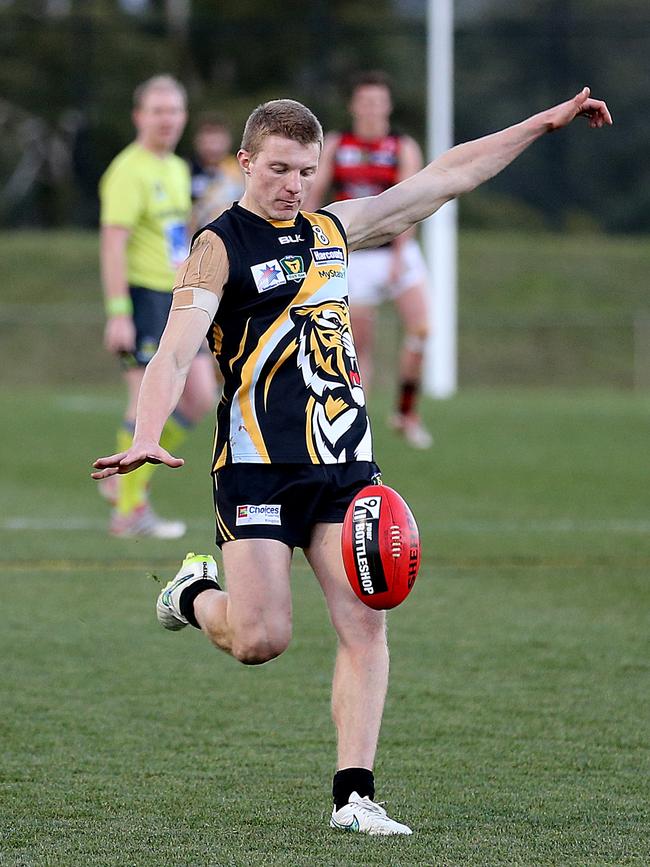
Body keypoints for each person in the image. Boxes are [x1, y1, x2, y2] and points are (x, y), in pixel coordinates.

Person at [92, 88, 611, 833]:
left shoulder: (334, 231)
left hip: (344, 468)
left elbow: (445, 177)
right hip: (258, 469)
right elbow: (175, 349)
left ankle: (354, 795)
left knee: (367, 624)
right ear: (245, 162)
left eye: (306, 170)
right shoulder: (219, 245)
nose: (292, 185)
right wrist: (148, 430)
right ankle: (190, 594)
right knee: (260, 639)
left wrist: (541, 122)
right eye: (277, 169)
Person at [98, 75, 217, 538]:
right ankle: (128, 511)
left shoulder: (176, 168)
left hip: (178, 298)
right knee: (144, 400)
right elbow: (112, 244)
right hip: (143, 298)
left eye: (174, 110)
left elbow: (178, 235)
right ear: (139, 116)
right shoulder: (129, 170)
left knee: (200, 395)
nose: (167, 119)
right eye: (158, 110)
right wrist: (118, 311)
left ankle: (131, 484)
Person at [305, 71, 433, 448]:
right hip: (355, 254)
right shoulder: (337, 145)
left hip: (397, 249)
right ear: (354, 106)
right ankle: (357, 422)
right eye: (365, 101)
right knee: (358, 346)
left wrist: (399, 252)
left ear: (388, 106)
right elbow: (315, 194)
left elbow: (411, 200)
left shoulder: (401, 147)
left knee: (422, 329)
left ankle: (406, 412)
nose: (371, 109)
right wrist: (308, 236)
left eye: (378, 101)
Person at [188, 112, 245, 235]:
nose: (213, 148)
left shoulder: (239, 170)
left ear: (227, 141)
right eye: (208, 141)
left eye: (217, 141)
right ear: (198, 141)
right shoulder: (186, 170)